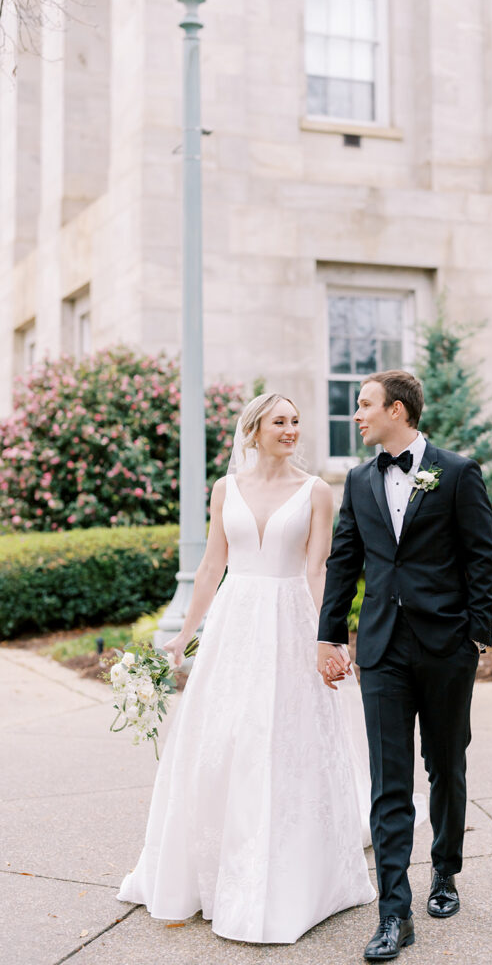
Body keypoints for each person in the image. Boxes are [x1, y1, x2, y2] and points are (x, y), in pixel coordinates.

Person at [117, 393, 376, 943]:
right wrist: (184, 637)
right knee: (222, 736)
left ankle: (290, 869)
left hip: (289, 622)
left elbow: (317, 570)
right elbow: (213, 564)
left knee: (282, 738)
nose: (291, 430)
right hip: (234, 626)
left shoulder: (316, 491)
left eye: (295, 422)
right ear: (252, 430)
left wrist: (330, 638)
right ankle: (210, 864)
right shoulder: (224, 489)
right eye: (279, 421)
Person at [317, 370, 492, 962]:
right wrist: (330, 636)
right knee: (388, 780)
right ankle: (394, 913)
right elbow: (345, 559)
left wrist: (476, 634)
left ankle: (444, 871)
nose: (357, 414)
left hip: (446, 646)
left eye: (365, 404)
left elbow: (482, 556)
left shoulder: (457, 472)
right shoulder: (359, 479)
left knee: (445, 762)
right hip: (382, 650)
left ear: (397, 410)